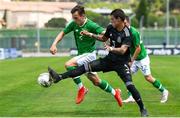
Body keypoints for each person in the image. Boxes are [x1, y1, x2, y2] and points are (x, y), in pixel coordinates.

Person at [48, 9, 148, 117]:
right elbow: (103, 38)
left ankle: (142, 109)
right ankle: (59, 77)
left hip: (121, 64)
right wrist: (90, 34)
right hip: (108, 60)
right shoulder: (110, 27)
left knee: (130, 85)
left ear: (119, 20)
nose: (111, 22)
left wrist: (111, 49)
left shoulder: (128, 33)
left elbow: (123, 50)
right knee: (84, 68)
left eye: (112, 20)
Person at [49, 5, 122, 106]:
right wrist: (54, 44)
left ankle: (82, 89)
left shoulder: (91, 25)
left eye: (76, 17)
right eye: (73, 18)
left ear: (83, 16)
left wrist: (108, 40)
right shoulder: (73, 24)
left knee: (69, 65)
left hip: (89, 55)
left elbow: (105, 32)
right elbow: (62, 33)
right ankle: (115, 92)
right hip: (82, 56)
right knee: (96, 82)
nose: (74, 20)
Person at [123, 16, 169, 103]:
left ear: (128, 23)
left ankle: (164, 91)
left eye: (125, 23)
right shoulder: (124, 32)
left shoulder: (134, 32)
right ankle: (131, 97)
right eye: (123, 23)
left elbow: (138, 49)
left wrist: (131, 61)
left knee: (148, 77)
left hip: (141, 58)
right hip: (134, 58)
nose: (123, 25)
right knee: (127, 76)